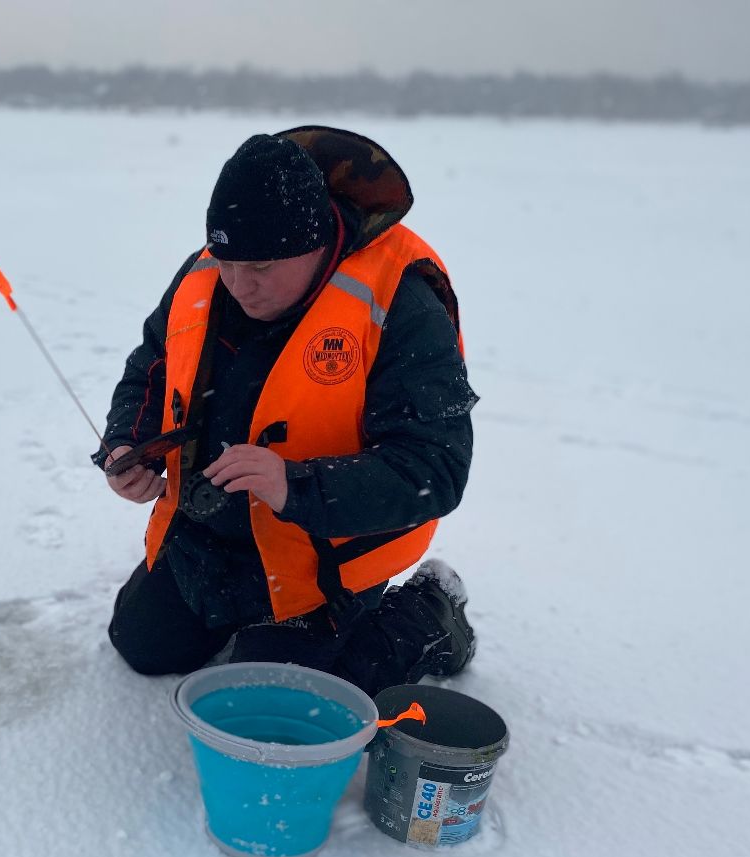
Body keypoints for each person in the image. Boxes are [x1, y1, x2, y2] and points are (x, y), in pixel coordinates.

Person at [93, 127, 479, 698]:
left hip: (325, 558)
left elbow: (436, 470)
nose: (238, 283)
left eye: (263, 266)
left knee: (274, 700)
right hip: (209, 532)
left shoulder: (401, 301)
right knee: (142, 644)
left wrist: (295, 484)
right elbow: (150, 367)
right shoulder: (210, 273)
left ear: (317, 243)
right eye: (226, 260)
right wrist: (128, 443)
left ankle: (429, 612)